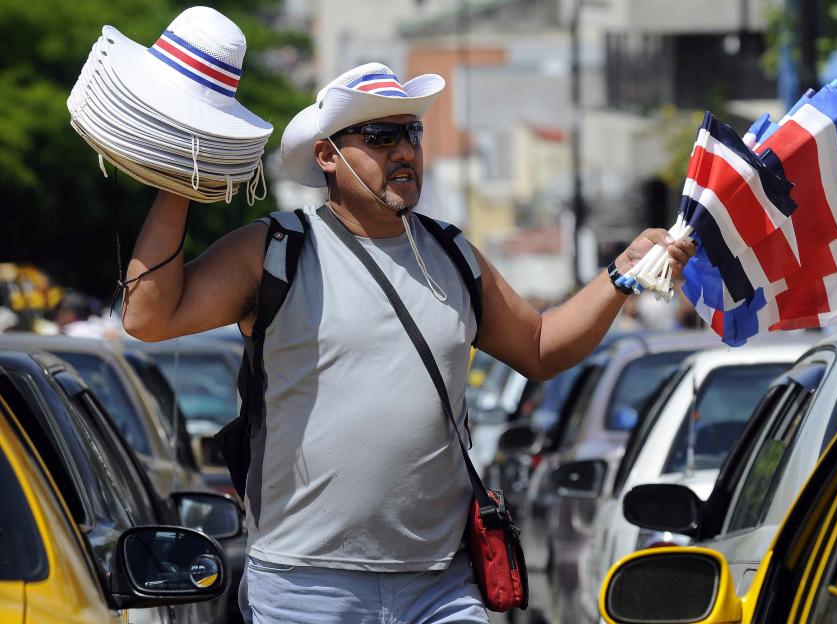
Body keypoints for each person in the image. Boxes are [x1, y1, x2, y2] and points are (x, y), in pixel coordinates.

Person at [121, 62, 694, 624]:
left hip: (440, 587)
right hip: (304, 588)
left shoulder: (453, 254)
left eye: (411, 134)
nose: (403, 151)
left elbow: (541, 347)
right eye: (379, 136)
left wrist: (620, 275)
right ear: (327, 155)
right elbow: (147, 317)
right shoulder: (276, 251)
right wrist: (178, 180)